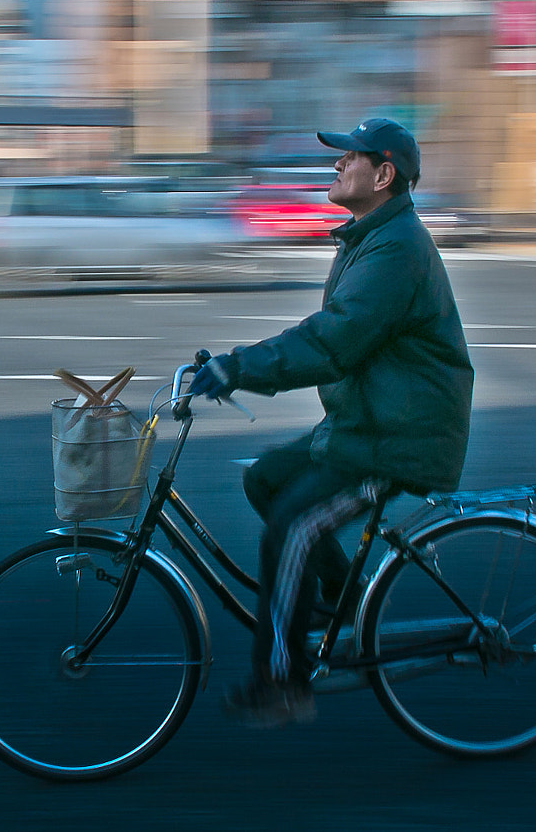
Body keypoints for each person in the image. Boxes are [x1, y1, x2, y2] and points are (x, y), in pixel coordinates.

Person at [186, 119, 474, 728]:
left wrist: (239, 367)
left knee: (290, 529)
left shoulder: (395, 250)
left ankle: (282, 683)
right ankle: (342, 604)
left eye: (348, 158)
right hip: (362, 426)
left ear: (384, 174)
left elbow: (333, 341)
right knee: (265, 480)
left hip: (398, 441)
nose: (336, 166)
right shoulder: (369, 239)